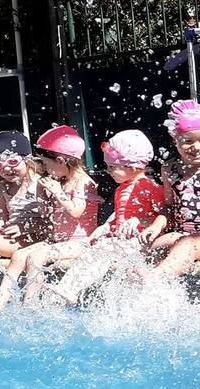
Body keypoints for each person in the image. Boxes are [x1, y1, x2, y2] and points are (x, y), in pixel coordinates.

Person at [0, 125, 101, 312]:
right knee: (19, 256)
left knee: (35, 257)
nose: (45, 169)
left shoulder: (84, 182)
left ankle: (30, 306)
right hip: (58, 241)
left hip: (81, 243)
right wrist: (43, 191)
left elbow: (76, 212)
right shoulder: (63, 181)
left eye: (47, 165)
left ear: (61, 160)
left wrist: (58, 193)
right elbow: (46, 212)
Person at [46, 130, 164, 304]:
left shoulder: (151, 188)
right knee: (97, 250)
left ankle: (70, 289)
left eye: (112, 167)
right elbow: (120, 218)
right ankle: (68, 289)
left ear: (132, 167)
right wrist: (106, 227)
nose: (108, 171)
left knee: (103, 251)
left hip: (141, 243)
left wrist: (140, 221)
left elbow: (163, 217)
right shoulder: (121, 188)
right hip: (123, 242)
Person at [139, 100, 200, 278]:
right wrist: (156, 226)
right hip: (182, 235)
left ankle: (153, 279)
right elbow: (169, 207)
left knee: (187, 244)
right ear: (175, 140)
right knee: (152, 247)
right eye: (187, 141)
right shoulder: (169, 169)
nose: (196, 147)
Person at [0, 131, 49, 259]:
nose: (6, 169)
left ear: (28, 160)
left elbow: (52, 222)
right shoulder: (3, 186)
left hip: (37, 238)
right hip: (14, 235)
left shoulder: (41, 184)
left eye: (13, 162)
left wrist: (25, 227)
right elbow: (2, 218)